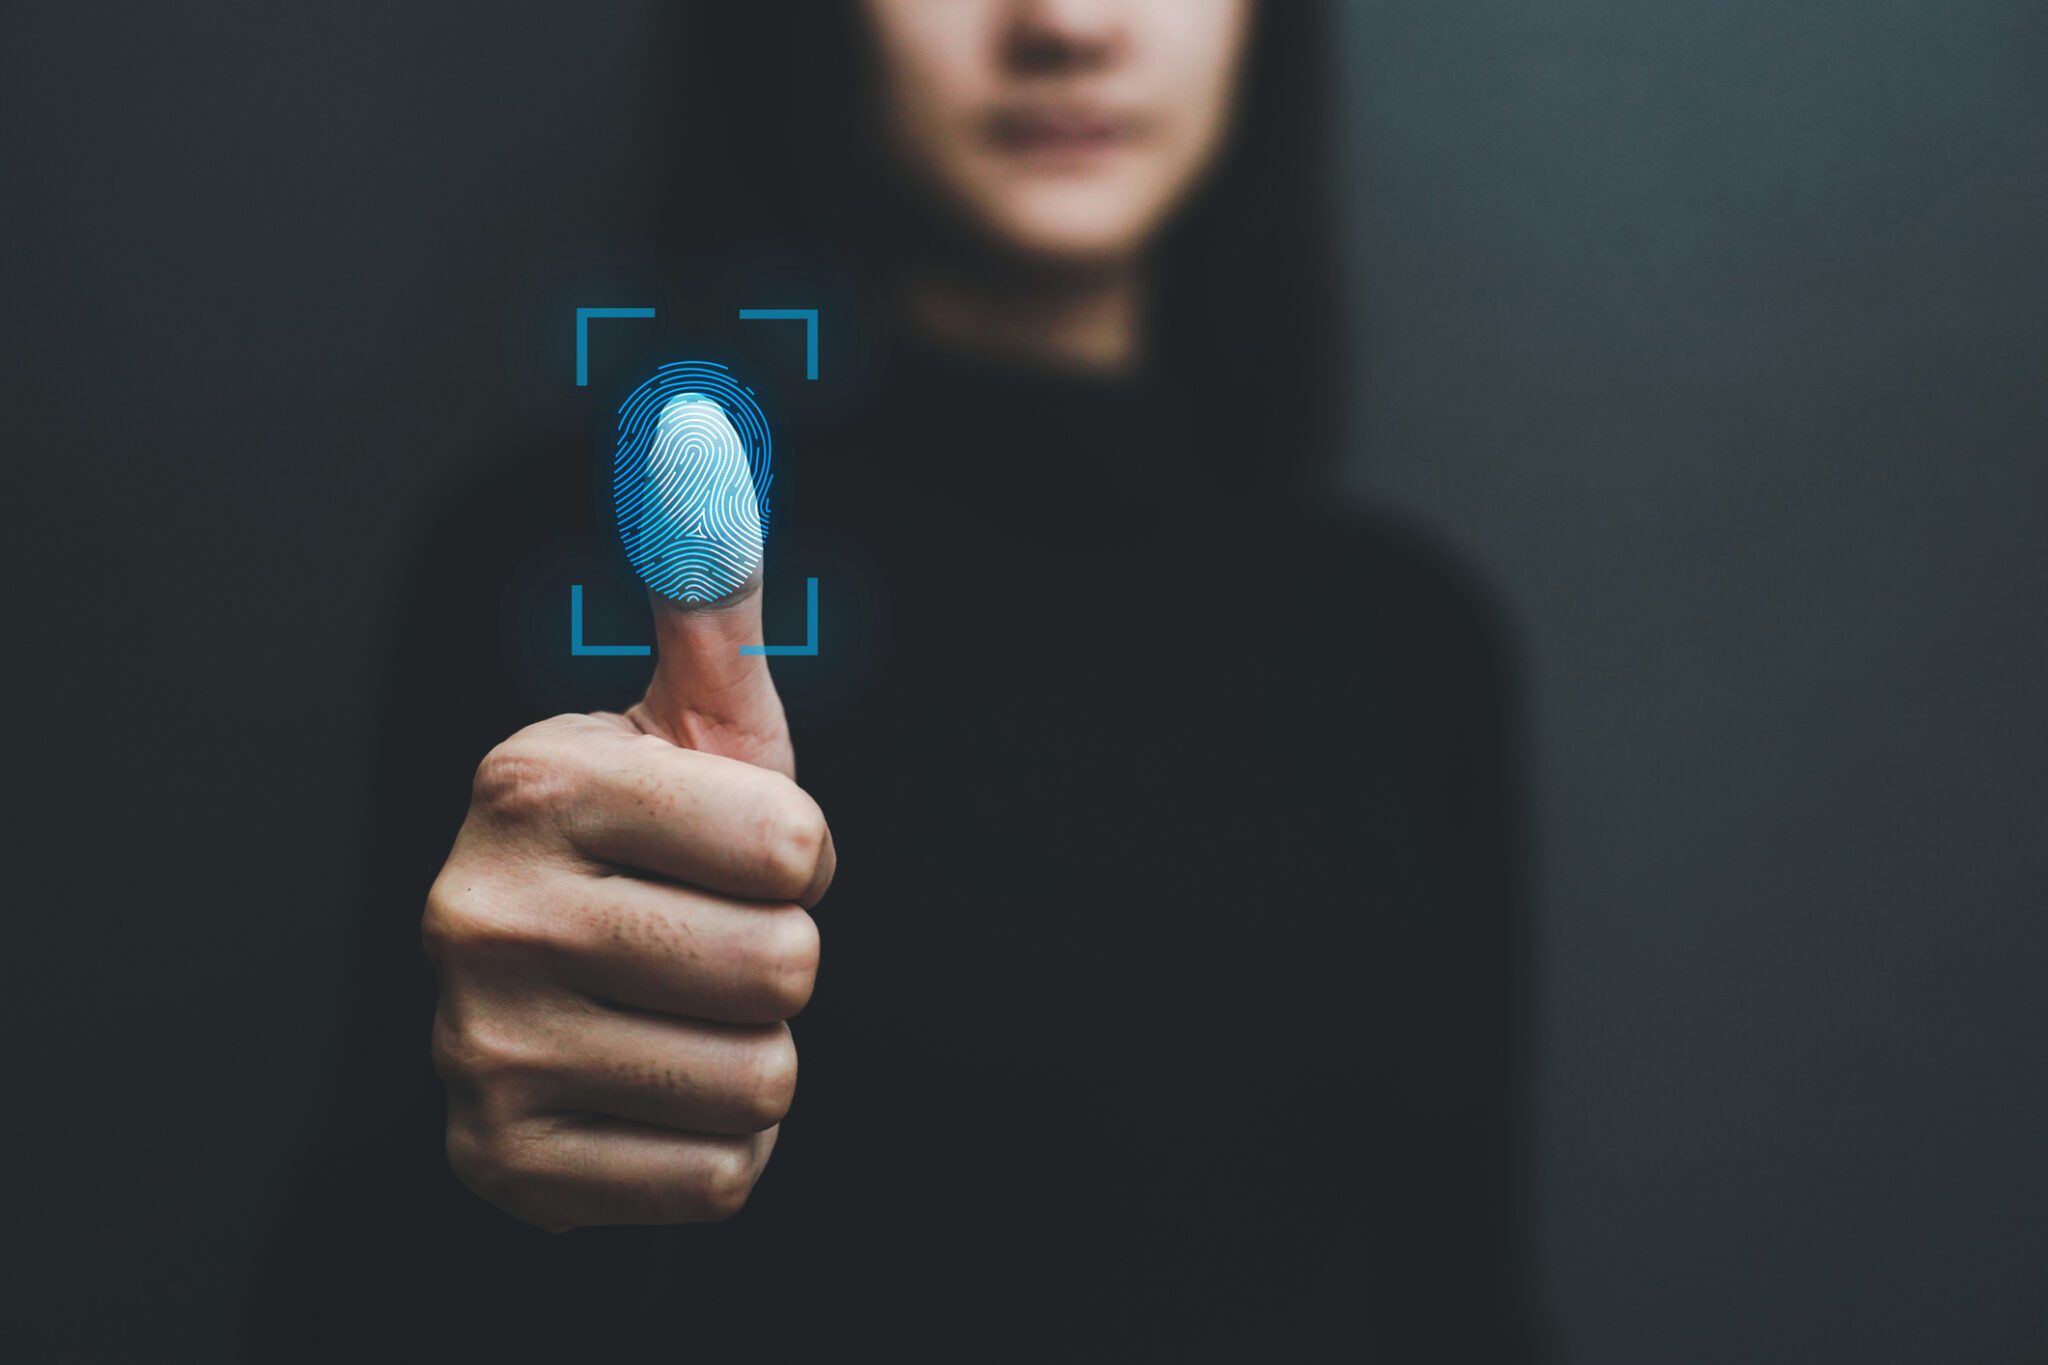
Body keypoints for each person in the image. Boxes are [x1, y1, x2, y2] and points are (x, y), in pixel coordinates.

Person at [252, 1, 1540, 1358]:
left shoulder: (1410, 639)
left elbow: (1474, 1302)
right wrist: (491, 1170)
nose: (1069, 23)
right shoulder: (577, 575)